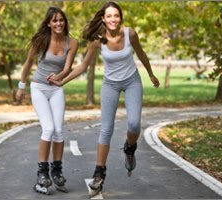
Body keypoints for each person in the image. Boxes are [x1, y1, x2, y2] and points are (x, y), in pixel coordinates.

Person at [47, 1, 160, 197]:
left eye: (116, 15)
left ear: (120, 17)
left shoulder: (130, 34)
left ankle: (129, 148)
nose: (113, 19)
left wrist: (150, 74)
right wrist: (62, 81)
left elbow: (141, 53)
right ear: (103, 19)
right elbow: (83, 66)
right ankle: (99, 174)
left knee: (134, 125)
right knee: (106, 129)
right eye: (109, 16)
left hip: (132, 81)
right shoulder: (98, 40)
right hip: (110, 84)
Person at [16, 6, 78, 194]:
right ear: (49, 23)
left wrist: (59, 76)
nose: (58, 23)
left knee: (59, 130)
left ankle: (56, 171)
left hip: (56, 88)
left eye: (61, 20)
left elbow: (68, 68)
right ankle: (42, 173)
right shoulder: (41, 41)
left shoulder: (72, 43)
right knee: (48, 128)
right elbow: (28, 63)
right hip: (39, 88)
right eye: (55, 20)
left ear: (65, 22)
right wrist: (21, 86)